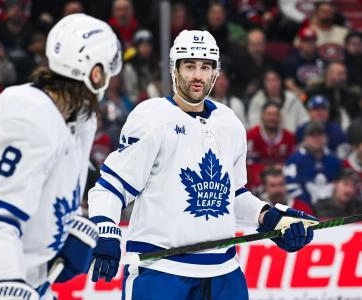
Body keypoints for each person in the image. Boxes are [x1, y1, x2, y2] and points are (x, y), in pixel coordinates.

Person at [87, 30, 317, 300]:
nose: (198, 76)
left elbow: (231, 194)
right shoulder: (151, 118)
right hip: (161, 272)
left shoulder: (229, 122)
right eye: (190, 66)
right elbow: (111, 187)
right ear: (175, 70)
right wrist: (107, 230)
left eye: (205, 67)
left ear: (215, 73)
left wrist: (270, 217)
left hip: (224, 273)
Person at [0, 13, 122, 300]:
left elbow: (47, 195)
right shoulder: (26, 114)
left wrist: (67, 228)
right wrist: (10, 280)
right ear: (96, 73)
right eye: (109, 69)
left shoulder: (80, 120)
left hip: (25, 280)